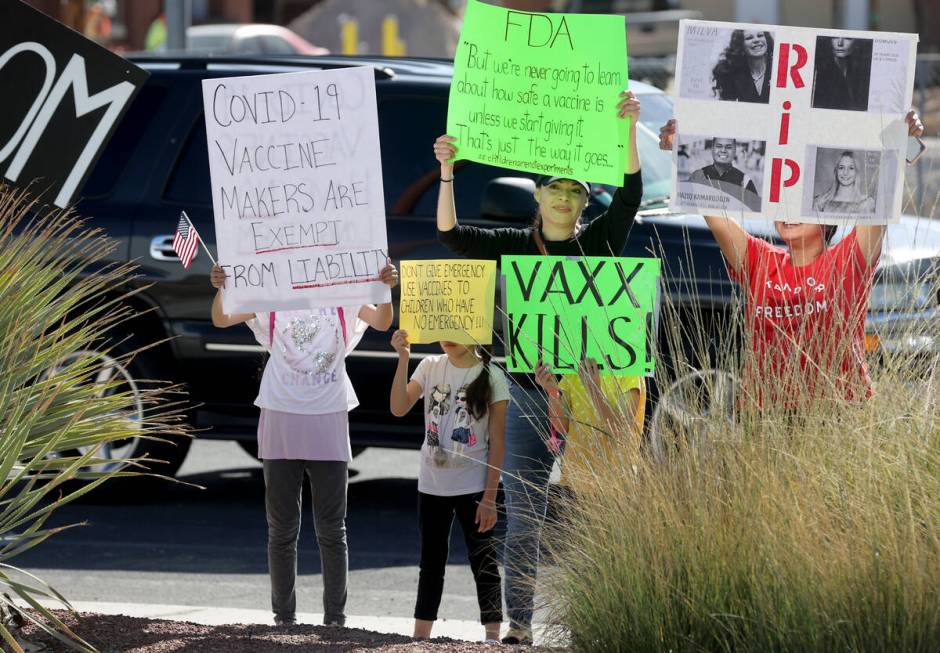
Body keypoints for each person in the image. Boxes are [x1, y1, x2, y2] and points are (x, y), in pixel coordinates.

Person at [433, 90, 642, 645]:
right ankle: (520, 628)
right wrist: (448, 173)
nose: (566, 198)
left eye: (577, 190)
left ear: (582, 200)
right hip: (527, 395)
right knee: (526, 515)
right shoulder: (512, 245)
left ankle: (599, 623)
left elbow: (630, 198)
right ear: (538, 194)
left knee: (599, 512)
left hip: (592, 398)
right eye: (556, 187)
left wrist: (627, 132)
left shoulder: (597, 241)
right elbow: (451, 236)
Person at [659, 112, 924, 408]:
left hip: (837, 412)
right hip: (765, 415)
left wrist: (903, 141)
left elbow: (881, 200)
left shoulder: (850, 259)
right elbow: (713, 210)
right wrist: (680, 149)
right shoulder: (758, 258)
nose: (789, 213)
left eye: (801, 205)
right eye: (783, 203)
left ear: (826, 217)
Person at [209, 262, 398, 627]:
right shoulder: (273, 294)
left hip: (329, 414)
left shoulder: (343, 293)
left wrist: (384, 287)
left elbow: (381, 321)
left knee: (332, 527)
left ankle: (335, 619)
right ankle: (284, 617)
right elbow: (221, 318)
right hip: (280, 414)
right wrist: (221, 287)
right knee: (281, 527)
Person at [389, 330, 509, 643]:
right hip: (432, 484)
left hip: (473, 484)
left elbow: (497, 443)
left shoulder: (492, 375)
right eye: (443, 327)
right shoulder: (429, 366)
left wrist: (489, 498)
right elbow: (399, 407)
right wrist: (403, 359)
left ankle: (493, 637)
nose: (448, 336)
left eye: (457, 328)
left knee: (483, 561)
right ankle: (420, 637)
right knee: (430, 563)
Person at [534, 358, 645, 492]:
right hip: (575, 479)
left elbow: (618, 430)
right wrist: (552, 391)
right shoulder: (576, 368)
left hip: (616, 484)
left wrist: (594, 391)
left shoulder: (630, 373)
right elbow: (562, 427)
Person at [688, 137, 761, 211]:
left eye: (728, 147)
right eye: (718, 146)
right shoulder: (697, 176)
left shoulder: (745, 181)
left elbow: (754, 212)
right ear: (712, 149)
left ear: (734, 151)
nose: (723, 150)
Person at [711, 30, 775, 103]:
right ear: (741, 45)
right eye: (749, 38)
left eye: (760, 35)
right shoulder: (732, 73)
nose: (756, 40)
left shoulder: (776, 67)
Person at [812, 37, 872, 112]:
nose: (840, 43)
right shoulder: (818, 73)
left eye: (847, 38)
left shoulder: (862, 71)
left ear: (856, 42)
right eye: (834, 38)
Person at [812, 151, 876, 215]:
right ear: (836, 171)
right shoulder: (821, 203)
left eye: (851, 168)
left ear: (856, 172)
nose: (845, 173)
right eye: (841, 167)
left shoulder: (867, 204)